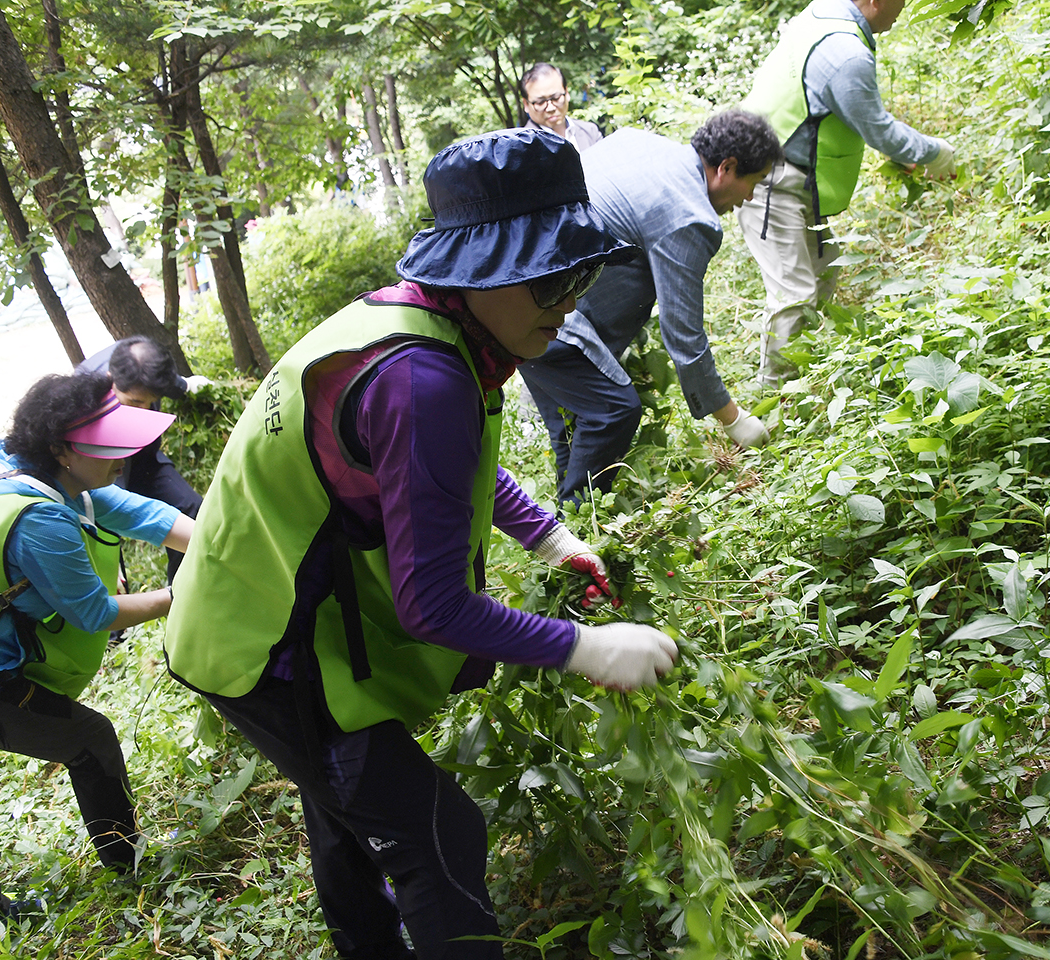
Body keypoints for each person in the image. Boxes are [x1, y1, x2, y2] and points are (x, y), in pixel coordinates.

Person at [162, 128, 679, 960]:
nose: (570, 300)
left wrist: (547, 535)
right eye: (550, 279)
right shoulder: (423, 377)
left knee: (344, 816)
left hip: (250, 612)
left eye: (579, 273)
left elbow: (448, 469)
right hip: (266, 646)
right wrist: (584, 648)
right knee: (436, 831)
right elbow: (432, 603)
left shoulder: (426, 327)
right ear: (479, 271)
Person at [0, 373, 193, 925]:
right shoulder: (41, 519)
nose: (123, 455)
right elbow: (95, 611)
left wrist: (226, 545)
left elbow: (150, 516)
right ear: (61, 450)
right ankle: (131, 870)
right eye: (106, 445)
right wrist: (184, 593)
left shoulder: (43, 481)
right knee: (88, 740)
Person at [518, 109, 783, 505]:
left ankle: (571, 537)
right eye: (753, 183)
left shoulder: (638, 143)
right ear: (726, 168)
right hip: (553, 315)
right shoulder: (689, 216)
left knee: (573, 442)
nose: (747, 199)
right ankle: (578, 542)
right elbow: (684, 336)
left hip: (515, 296)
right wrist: (734, 418)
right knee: (614, 413)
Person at [738, 0, 957, 384]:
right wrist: (936, 155)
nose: (903, 8)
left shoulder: (825, 12)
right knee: (795, 295)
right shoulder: (845, 52)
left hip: (800, 177)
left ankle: (804, 379)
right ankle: (773, 401)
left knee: (823, 277)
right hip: (771, 181)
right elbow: (880, 130)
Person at [77, 336, 210, 579]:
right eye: (135, 402)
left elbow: (172, 383)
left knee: (191, 510)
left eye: (151, 402)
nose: (145, 411)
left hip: (144, 459)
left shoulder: (152, 375)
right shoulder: (83, 403)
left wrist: (188, 386)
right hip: (99, 474)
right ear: (111, 381)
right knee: (106, 543)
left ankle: (182, 589)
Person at [520, 62, 603, 152]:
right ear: (526, 104)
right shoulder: (522, 146)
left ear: (566, 93)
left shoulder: (590, 132)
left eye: (556, 98)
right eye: (541, 102)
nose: (550, 108)